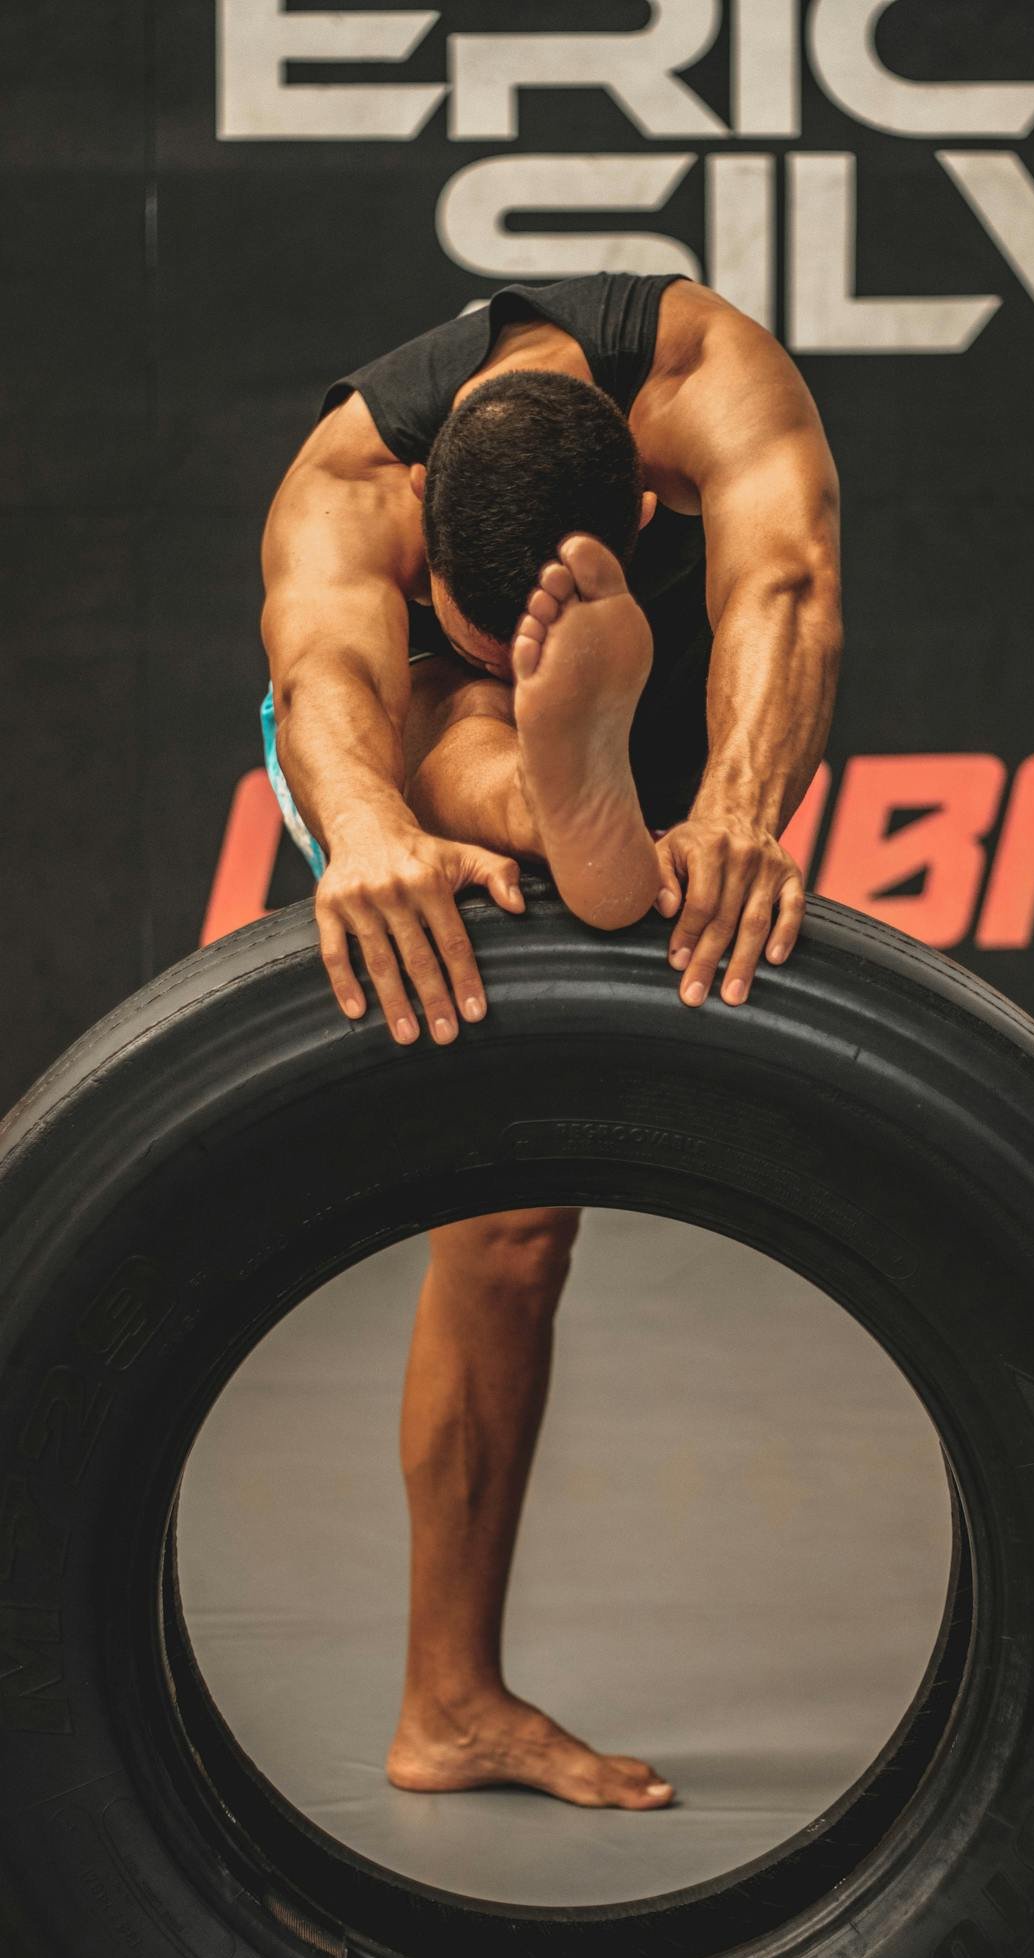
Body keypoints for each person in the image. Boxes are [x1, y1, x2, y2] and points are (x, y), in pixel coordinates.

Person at [259, 272, 842, 1812]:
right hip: (432, 710)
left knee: (521, 1235)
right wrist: (371, 830)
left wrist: (732, 817)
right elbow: (323, 669)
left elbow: (778, 586)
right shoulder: (355, 476)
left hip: (626, 651)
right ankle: (545, 795)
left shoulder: (703, 373)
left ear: (643, 509)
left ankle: (575, 783)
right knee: (503, 1221)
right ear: (425, 521)